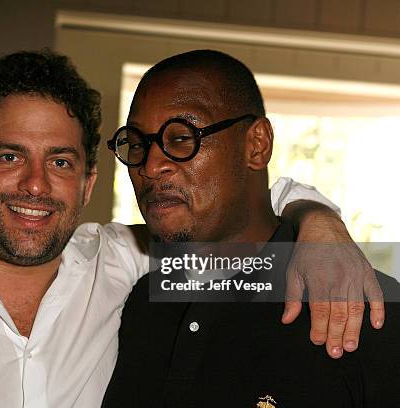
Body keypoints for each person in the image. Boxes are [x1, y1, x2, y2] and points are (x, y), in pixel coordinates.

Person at [0, 50, 383, 407]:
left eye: (62, 161)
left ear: (91, 182)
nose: (36, 185)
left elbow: (231, 218)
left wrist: (318, 220)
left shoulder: (129, 266)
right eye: (9, 156)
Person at [102, 49, 400, 407]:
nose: (150, 166)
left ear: (256, 145)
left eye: (181, 138)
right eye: (136, 144)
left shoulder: (362, 309)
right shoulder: (129, 304)